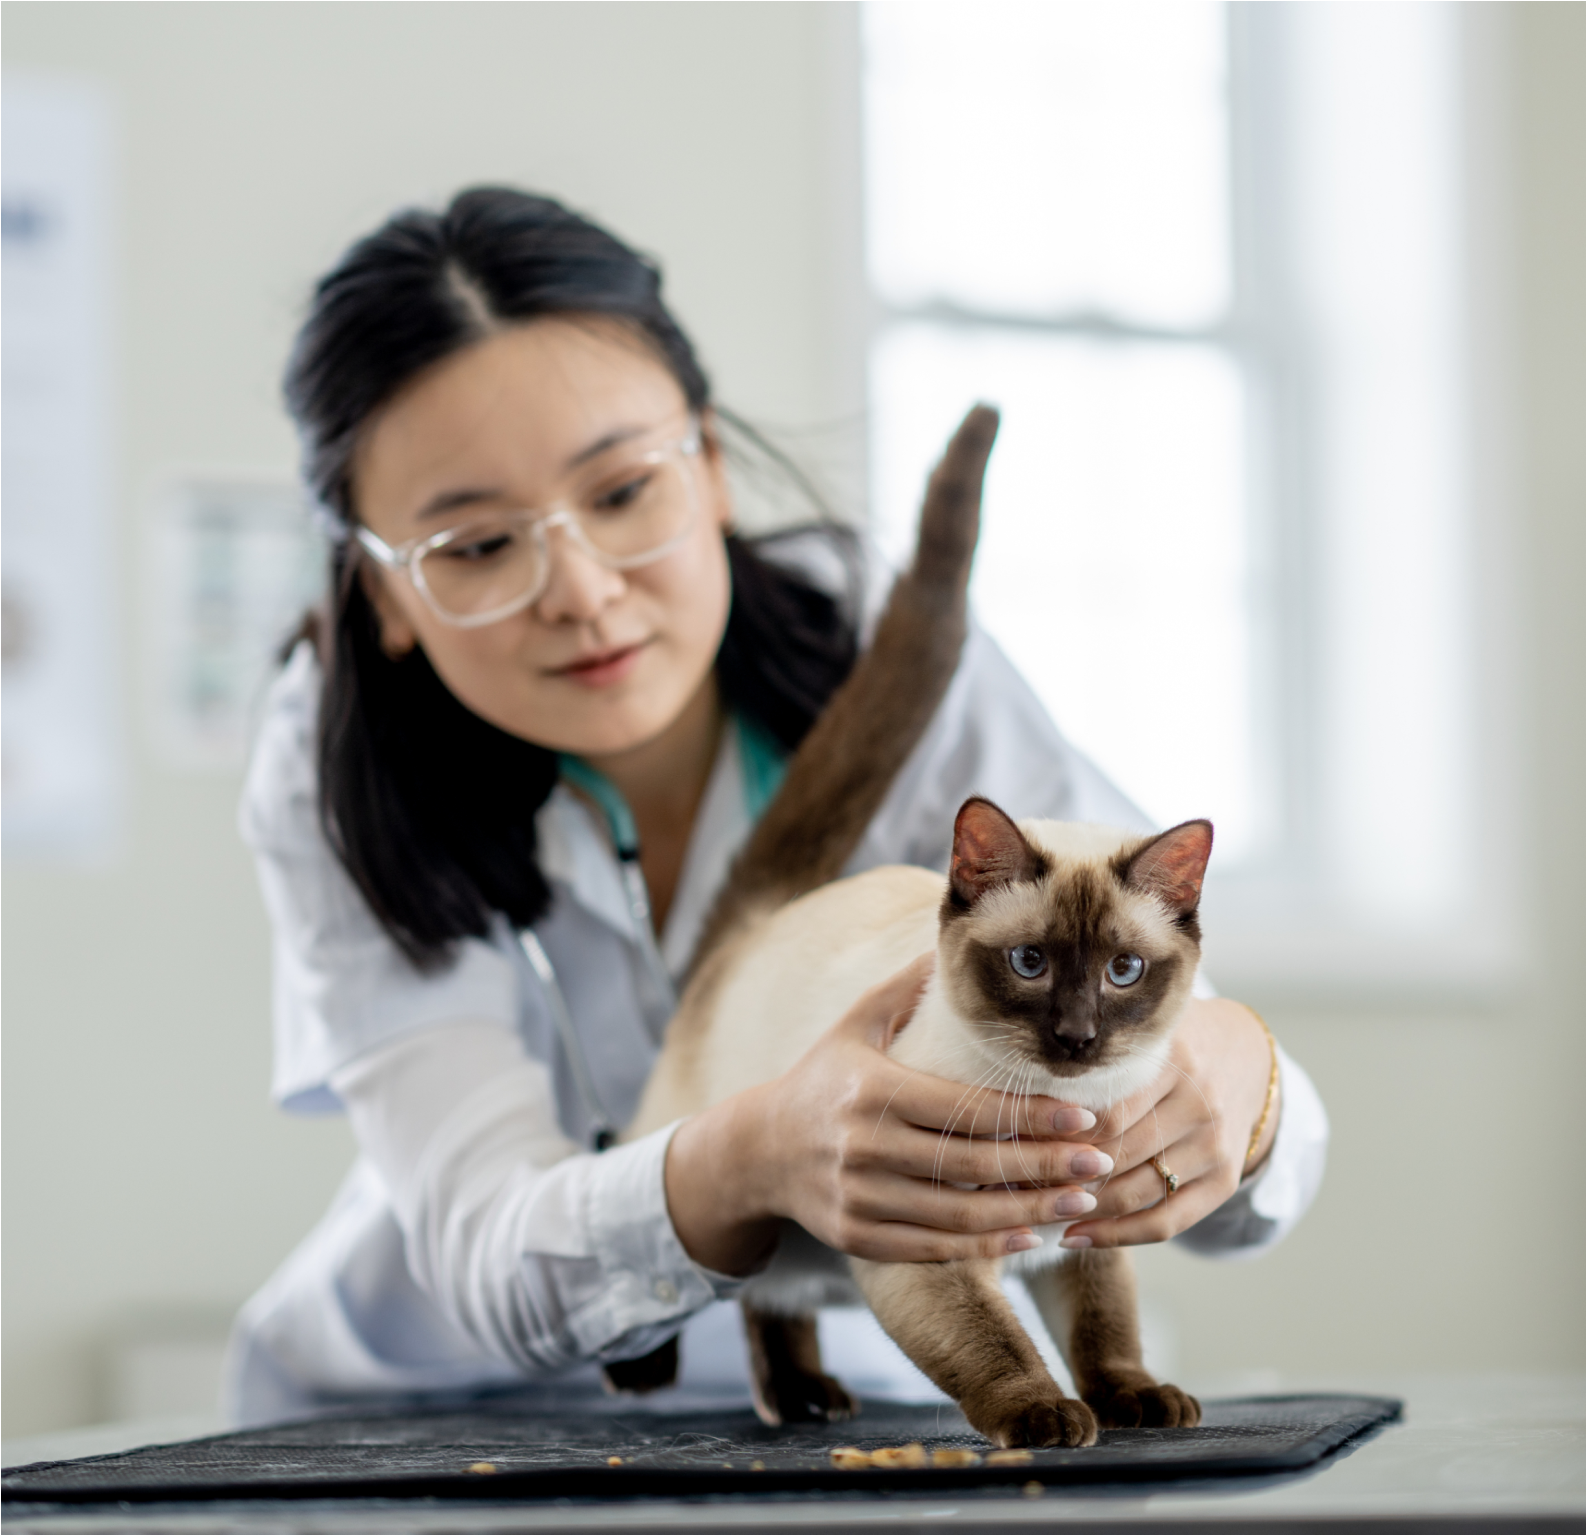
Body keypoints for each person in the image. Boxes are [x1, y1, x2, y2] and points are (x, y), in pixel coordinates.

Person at [226, 187, 1328, 1425]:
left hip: (877, 1396)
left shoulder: (875, 638)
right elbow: (484, 1234)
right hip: (439, 1406)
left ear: (707, 463)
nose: (581, 591)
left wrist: (1246, 1075)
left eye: (622, 490)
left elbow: (1183, 1028)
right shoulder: (328, 748)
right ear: (376, 591)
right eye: (477, 545)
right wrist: (746, 1158)